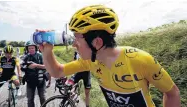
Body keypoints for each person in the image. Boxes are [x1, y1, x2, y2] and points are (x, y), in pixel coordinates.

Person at [38, 5, 181, 107]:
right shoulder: (89, 61)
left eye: (77, 38)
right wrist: (47, 51)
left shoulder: (140, 59)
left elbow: (172, 93)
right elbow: (57, 71)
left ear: (97, 42)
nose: (74, 44)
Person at [21, 41, 47, 107]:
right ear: (27, 49)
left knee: (43, 98)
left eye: (32, 48)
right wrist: (27, 66)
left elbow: (46, 66)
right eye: (29, 48)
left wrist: (36, 65)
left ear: (35, 48)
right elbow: (21, 67)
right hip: (30, 81)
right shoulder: (26, 57)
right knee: (30, 99)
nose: (31, 49)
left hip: (40, 80)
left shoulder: (40, 56)